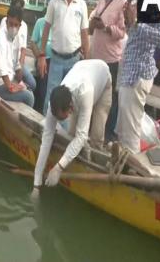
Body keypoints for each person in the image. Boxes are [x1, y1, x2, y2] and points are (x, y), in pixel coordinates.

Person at [32, 60, 112, 194]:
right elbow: (46, 140)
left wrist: (59, 167)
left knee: (95, 137)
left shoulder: (85, 91)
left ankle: (95, 179)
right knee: (71, 134)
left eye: (61, 117)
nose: (57, 120)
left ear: (69, 109)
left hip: (102, 78)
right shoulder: (55, 103)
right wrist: (36, 183)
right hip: (81, 71)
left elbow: (81, 137)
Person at [116, 0, 160, 154]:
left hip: (138, 74)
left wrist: (136, 23)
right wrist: (130, 21)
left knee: (130, 138)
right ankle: (126, 166)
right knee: (124, 132)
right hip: (130, 73)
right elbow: (136, 34)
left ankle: (131, 175)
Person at [38, 0, 90, 115]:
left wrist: (86, 59)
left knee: (70, 97)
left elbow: (84, 34)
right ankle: (45, 126)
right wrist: (42, 55)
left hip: (73, 59)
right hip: (55, 58)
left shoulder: (82, 4)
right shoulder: (54, 1)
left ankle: (64, 132)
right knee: (51, 94)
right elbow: (46, 29)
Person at [89, 0, 126, 141]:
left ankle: (108, 133)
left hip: (111, 59)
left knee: (109, 99)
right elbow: (93, 16)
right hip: (95, 57)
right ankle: (92, 130)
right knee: (93, 95)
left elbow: (122, 31)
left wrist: (105, 28)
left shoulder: (123, 3)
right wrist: (94, 22)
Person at [0, 6, 35, 107]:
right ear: (6, 22)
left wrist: (20, 82)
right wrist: (12, 87)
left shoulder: (16, 38)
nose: (13, 27)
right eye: (10, 24)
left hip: (8, 80)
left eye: (16, 25)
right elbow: (2, 70)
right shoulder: (0, 39)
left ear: (20, 26)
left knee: (30, 86)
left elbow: (16, 63)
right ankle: (23, 121)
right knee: (29, 97)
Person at [0, 0, 37, 92]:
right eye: (16, 7)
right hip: (7, 60)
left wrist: (21, 63)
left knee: (32, 84)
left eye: (20, 8)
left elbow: (23, 48)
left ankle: (22, 88)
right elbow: (2, 45)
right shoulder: (5, 21)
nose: (19, 10)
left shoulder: (24, 26)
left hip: (17, 61)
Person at [31, 10, 53, 113]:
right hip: (42, 58)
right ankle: (40, 111)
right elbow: (33, 43)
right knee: (44, 84)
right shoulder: (40, 22)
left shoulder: (59, 25)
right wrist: (39, 58)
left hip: (56, 60)